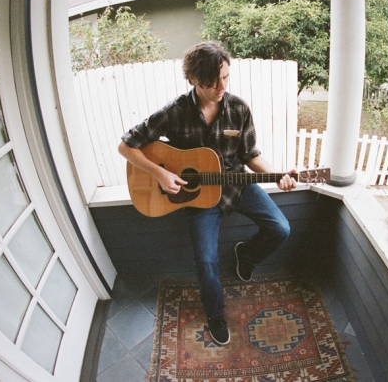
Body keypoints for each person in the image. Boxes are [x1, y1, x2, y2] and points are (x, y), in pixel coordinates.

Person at [118, 42, 296, 346]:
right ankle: (215, 314)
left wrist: (279, 175)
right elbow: (127, 145)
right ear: (192, 80)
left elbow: (250, 154)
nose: (221, 87)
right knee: (205, 261)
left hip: (238, 185)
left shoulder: (238, 108)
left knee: (281, 228)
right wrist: (160, 173)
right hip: (199, 198)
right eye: (211, 83)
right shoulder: (174, 113)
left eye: (226, 78)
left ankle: (246, 255)